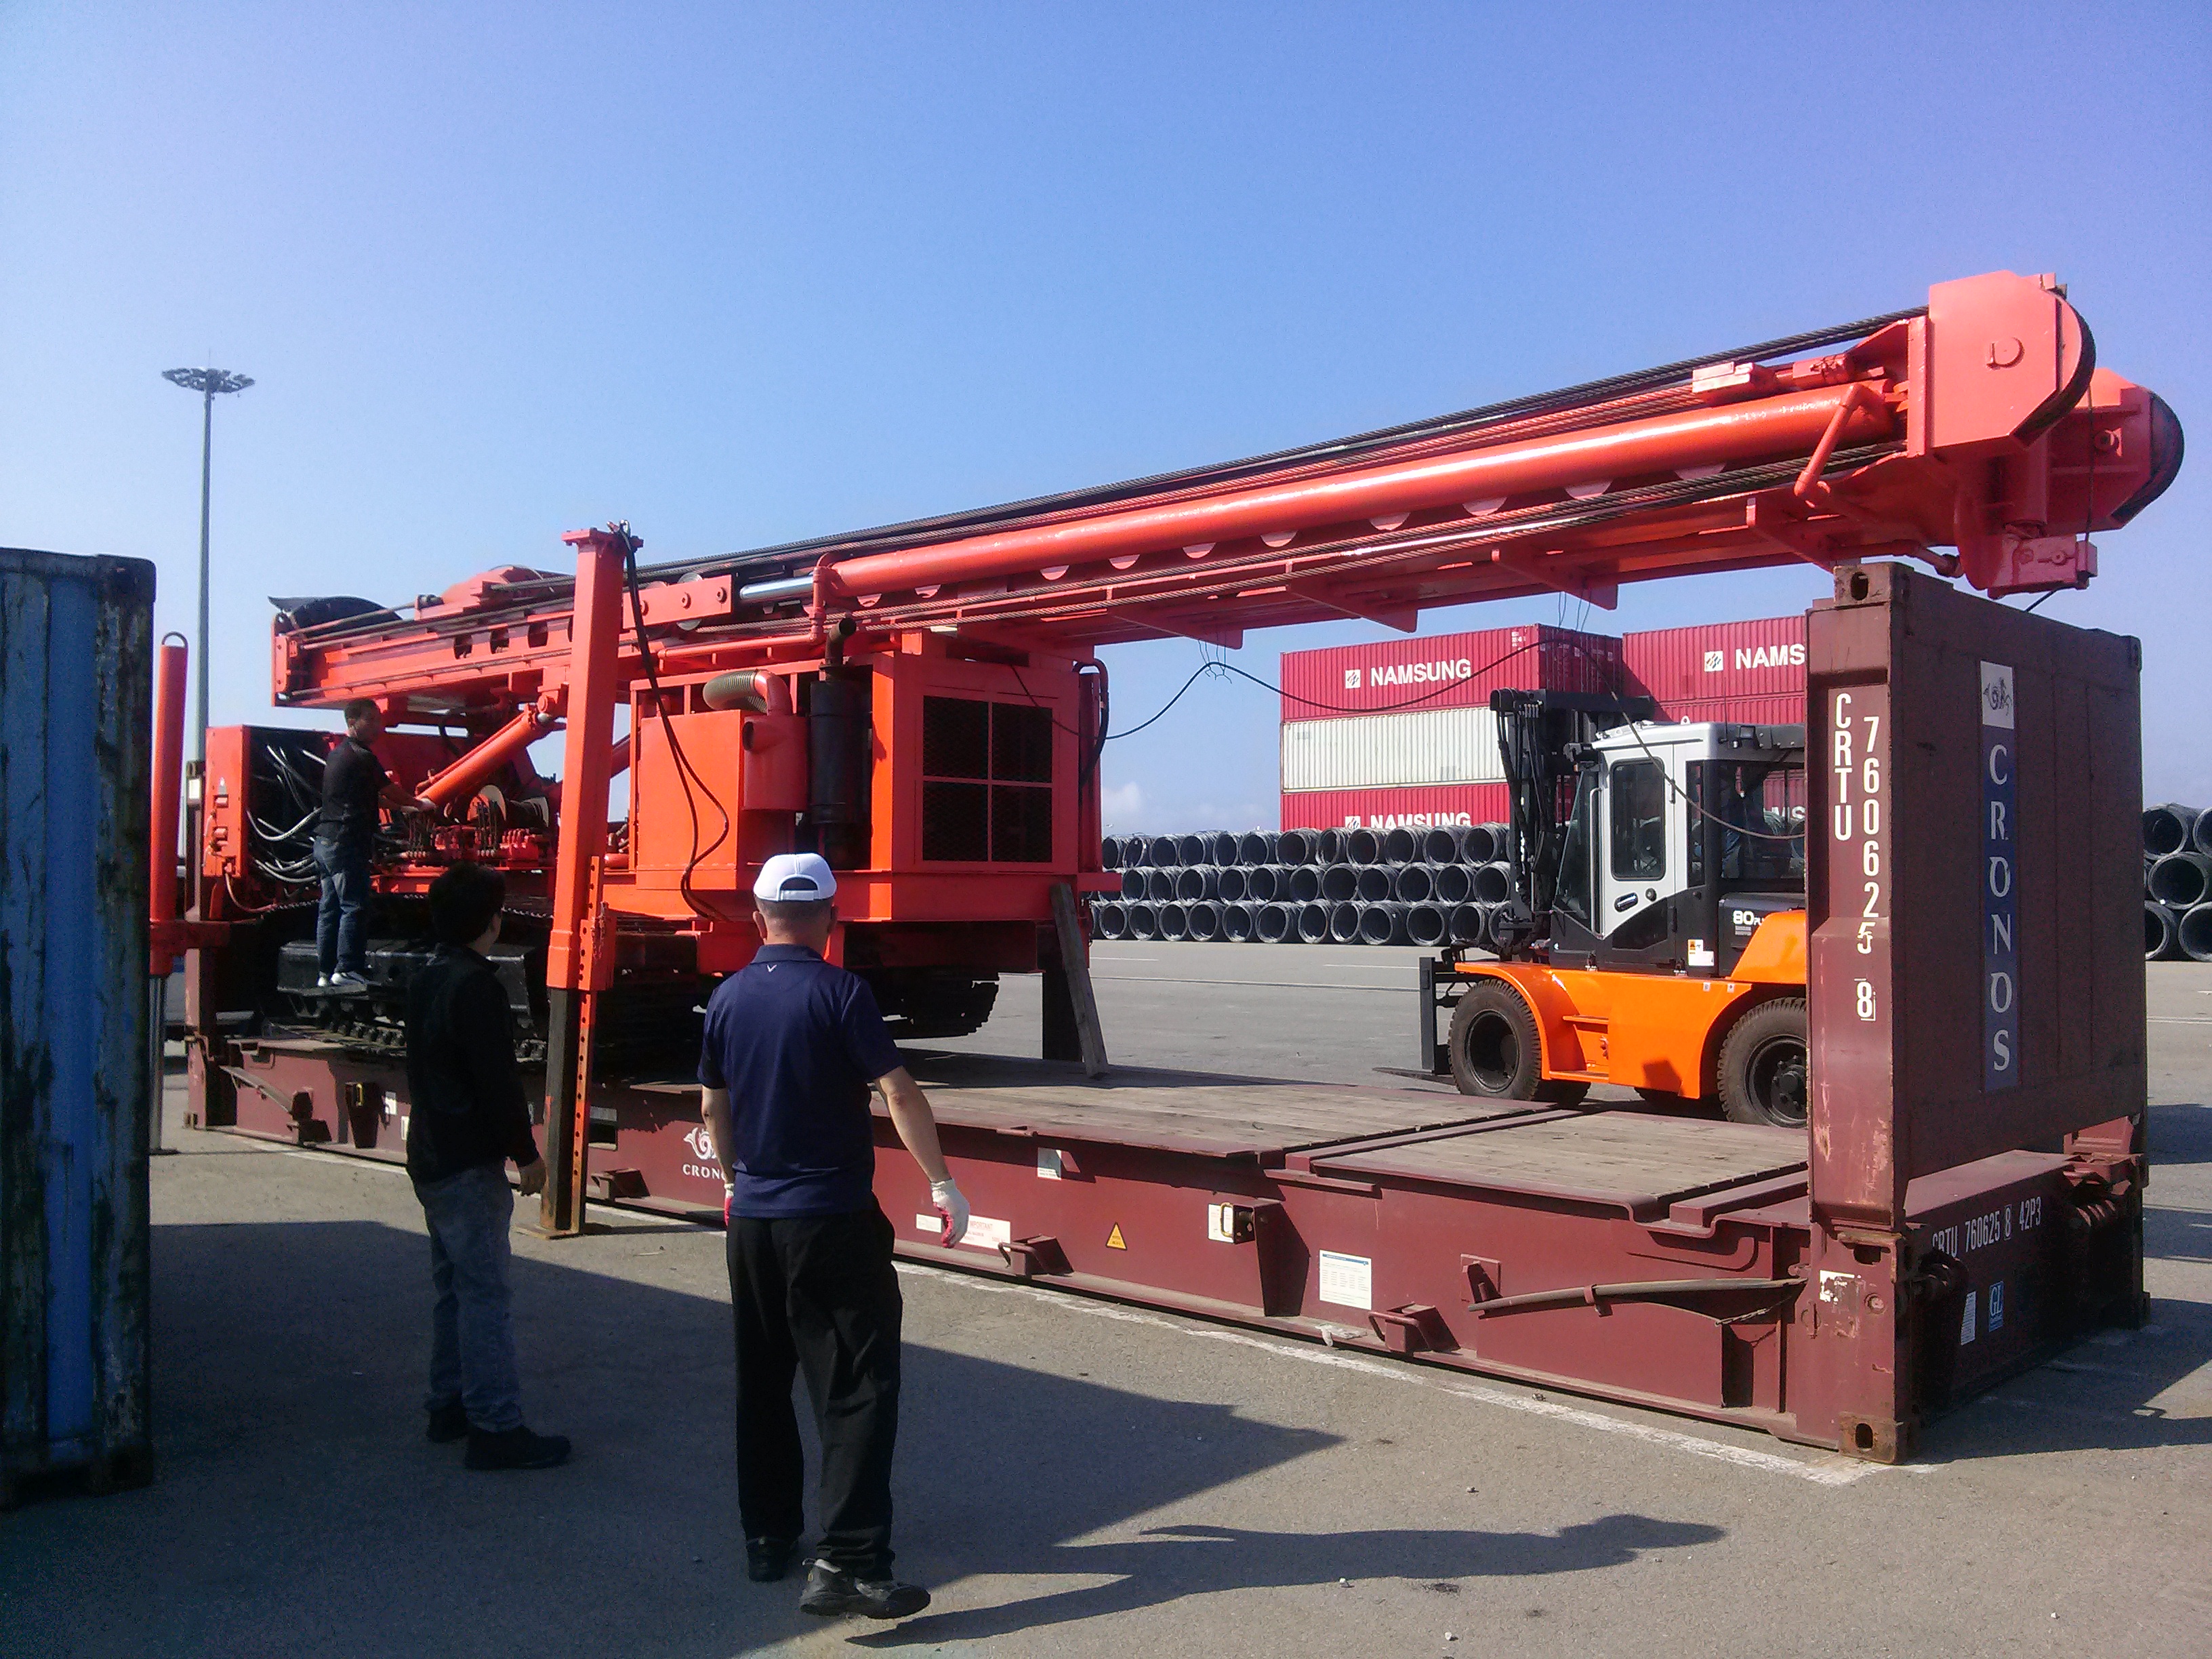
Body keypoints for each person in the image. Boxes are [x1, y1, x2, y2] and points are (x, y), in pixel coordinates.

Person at [699, 853, 968, 1622]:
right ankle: (849, 1560)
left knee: (763, 1382)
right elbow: (899, 1092)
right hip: (832, 1219)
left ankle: (767, 1538)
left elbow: (714, 1107)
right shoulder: (842, 993)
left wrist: (733, 1183)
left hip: (754, 1224)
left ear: (758, 917)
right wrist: (942, 1183)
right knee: (855, 1386)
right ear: (830, 917)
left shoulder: (726, 998)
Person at [404, 861, 570, 1471]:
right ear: (493, 921)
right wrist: (526, 1155)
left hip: (430, 1152)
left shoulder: (426, 978)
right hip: (469, 1159)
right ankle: (496, 1426)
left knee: (453, 1288)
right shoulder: (479, 987)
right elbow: (497, 1082)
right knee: (485, 1296)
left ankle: (447, 1405)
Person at [314, 699, 431, 994]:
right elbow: (389, 790)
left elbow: (371, 797)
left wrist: (403, 809)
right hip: (346, 843)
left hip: (325, 842)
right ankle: (347, 969)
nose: (378, 726)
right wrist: (419, 804)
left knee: (329, 909)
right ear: (352, 722)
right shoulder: (362, 756)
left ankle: (325, 972)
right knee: (354, 906)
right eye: (371, 720)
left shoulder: (337, 755)